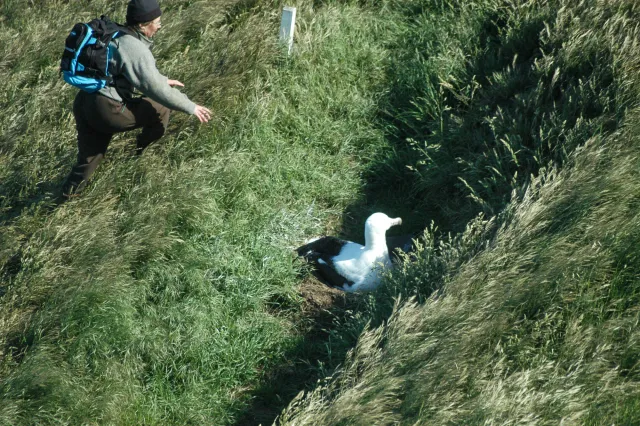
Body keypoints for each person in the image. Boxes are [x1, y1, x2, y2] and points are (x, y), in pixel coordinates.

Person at [61, 0, 212, 198]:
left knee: (88, 160)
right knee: (161, 109)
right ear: (142, 24)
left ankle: (63, 201)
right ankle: (141, 152)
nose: (159, 26)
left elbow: (129, 74)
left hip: (85, 102)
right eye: (156, 22)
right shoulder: (134, 47)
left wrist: (163, 81)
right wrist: (190, 107)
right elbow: (154, 89)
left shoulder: (116, 34)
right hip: (107, 109)